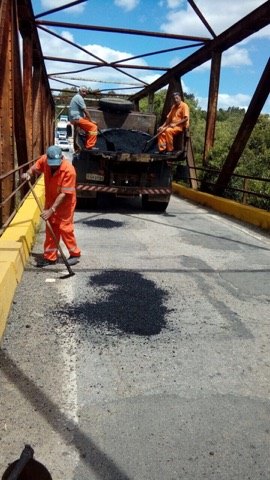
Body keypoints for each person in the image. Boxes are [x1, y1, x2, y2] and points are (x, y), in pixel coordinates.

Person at [22, 145, 81, 267]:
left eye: (56, 164)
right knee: (51, 228)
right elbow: (34, 168)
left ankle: (74, 253)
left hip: (65, 204)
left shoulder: (69, 170)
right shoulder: (44, 160)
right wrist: (28, 173)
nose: (53, 166)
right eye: (51, 164)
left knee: (65, 228)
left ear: (61, 158)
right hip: (50, 201)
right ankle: (50, 257)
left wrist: (52, 210)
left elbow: (64, 194)